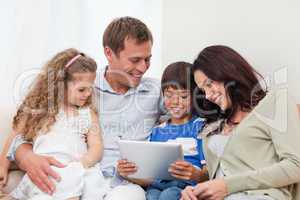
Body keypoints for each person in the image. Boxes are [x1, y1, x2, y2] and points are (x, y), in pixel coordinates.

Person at [4, 17, 162, 200]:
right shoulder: (82, 87)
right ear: (109, 53)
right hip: (82, 178)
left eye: (147, 59)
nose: (143, 68)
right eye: (135, 60)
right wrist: (25, 157)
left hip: (125, 184)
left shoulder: (157, 91)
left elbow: (189, 115)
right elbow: (24, 126)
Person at [180, 45, 300, 200]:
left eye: (209, 84)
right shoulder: (215, 124)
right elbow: (219, 175)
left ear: (229, 73)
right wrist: (196, 191)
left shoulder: (275, 102)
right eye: (203, 90)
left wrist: (227, 185)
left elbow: (295, 165)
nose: (208, 95)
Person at [0, 48, 105, 199]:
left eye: (90, 88)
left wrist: (83, 163)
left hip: (75, 168)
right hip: (45, 170)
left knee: (90, 187)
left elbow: (96, 145)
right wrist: (3, 166)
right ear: (59, 85)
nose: (88, 94)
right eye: (82, 89)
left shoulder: (87, 113)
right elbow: (14, 137)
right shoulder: (38, 110)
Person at [143, 61, 207, 200]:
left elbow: (208, 171)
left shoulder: (201, 127)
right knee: (152, 195)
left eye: (183, 96)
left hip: (186, 184)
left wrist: (195, 175)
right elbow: (151, 171)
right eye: (169, 95)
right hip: (159, 183)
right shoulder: (157, 131)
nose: (175, 101)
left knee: (169, 194)